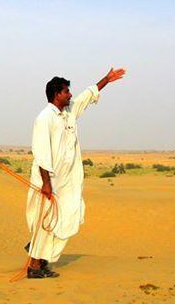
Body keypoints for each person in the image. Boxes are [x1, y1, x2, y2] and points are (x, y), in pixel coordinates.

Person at [25, 67, 126, 278]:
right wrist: (46, 184)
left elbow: (87, 96)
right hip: (49, 181)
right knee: (46, 221)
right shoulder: (44, 118)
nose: (70, 94)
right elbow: (42, 154)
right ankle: (34, 267)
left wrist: (106, 80)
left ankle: (41, 259)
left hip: (66, 182)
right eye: (66, 91)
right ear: (56, 94)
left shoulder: (68, 112)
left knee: (64, 219)